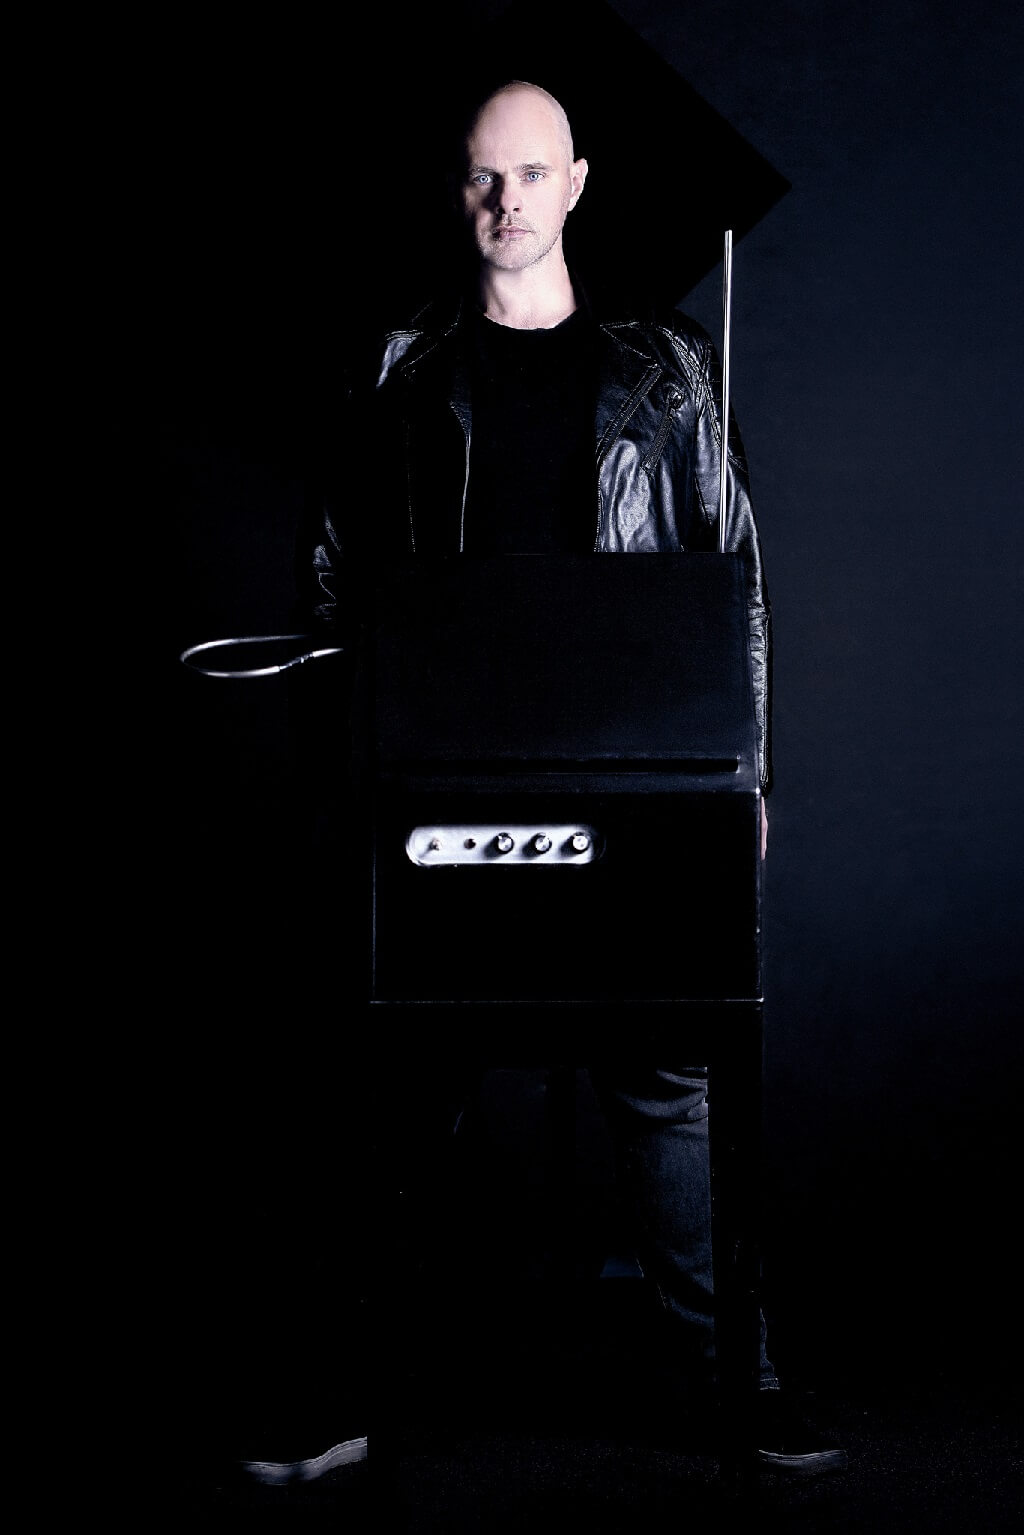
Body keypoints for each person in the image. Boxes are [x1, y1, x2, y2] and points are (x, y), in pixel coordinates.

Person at [232, 78, 846, 1489]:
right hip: (438, 785)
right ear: (459, 192)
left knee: (667, 1073)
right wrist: (346, 770)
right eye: (480, 177)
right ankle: (341, 1391)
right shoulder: (402, 366)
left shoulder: (670, 368)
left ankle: (740, 1382)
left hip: (634, 783)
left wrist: (743, 772)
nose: (504, 202)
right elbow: (333, 576)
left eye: (529, 174)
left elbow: (734, 579)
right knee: (395, 1076)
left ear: (576, 182)